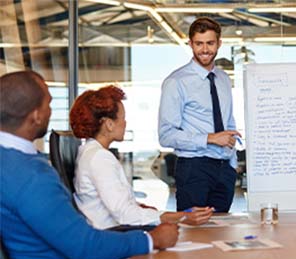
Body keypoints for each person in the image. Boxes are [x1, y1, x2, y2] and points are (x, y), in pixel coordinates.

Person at [0, 71, 178, 259]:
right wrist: (152, 240)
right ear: (36, 116)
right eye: (48, 104)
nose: (51, 111)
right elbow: (84, 245)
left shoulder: (9, 164)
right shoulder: (31, 176)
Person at [70, 85, 213, 230]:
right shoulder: (99, 158)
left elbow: (116, 204)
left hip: (115, 229)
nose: (125, 123)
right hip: (115, 234)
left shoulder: (89, 152)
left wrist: (142, 208)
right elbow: (125, 215)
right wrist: (182, 217)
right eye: (123, 118)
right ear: (109, 124)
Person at [158, 17, 240, 212]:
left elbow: (228, 120)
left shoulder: (223, 78)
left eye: (210, 43)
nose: (204, 49)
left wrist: (232, 164)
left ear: (219, 43)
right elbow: (166, 135)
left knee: (222, 232)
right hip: (194, 169)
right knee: (193, 235)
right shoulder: (176, 82)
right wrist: (210, 139)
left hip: (224, 170)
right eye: (199, 44)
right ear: (190, 44)